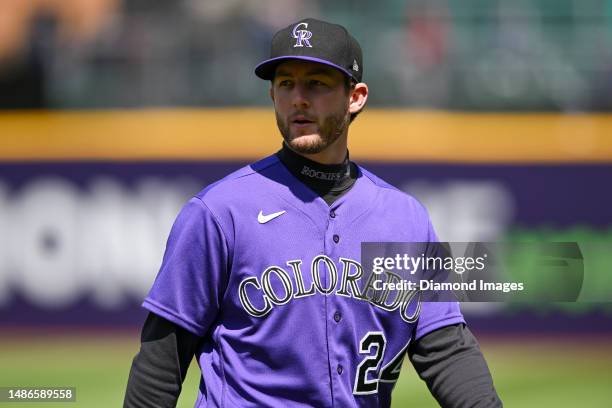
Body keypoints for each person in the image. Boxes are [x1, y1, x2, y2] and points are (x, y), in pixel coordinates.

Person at [124, 18, 502, 408]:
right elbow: (161, 361)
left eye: (316, 83)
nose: (298, 98)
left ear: (355, 97)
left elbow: (446, 349)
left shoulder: (405, 218)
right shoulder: (221, 212)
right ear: (272, 95)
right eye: (286, 83)